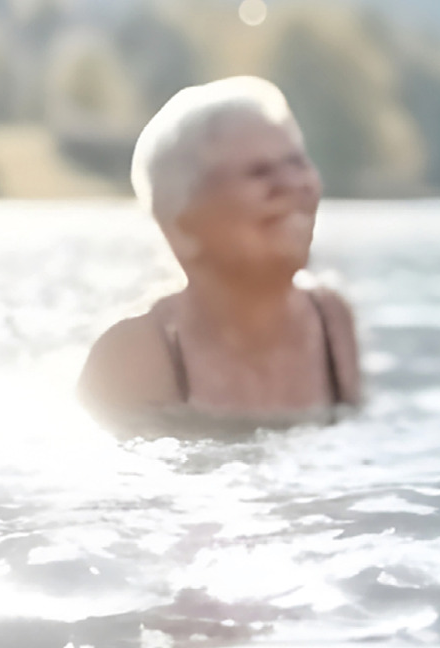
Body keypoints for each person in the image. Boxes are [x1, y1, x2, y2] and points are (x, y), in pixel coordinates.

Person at [78, 77, 362, 431]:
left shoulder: (331, 322)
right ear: (182, 225)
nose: (292, 185)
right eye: (259, 172)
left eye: (296, 163)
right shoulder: (136, 356)